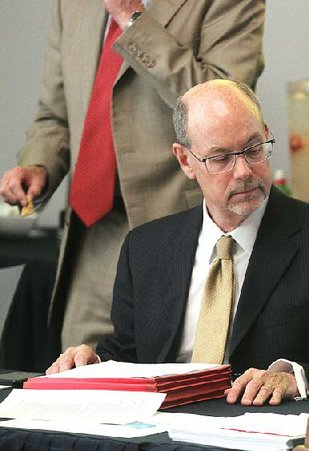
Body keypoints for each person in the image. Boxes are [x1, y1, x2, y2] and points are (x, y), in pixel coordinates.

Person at [45, 79, 309, 406]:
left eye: (254, 149)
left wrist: (295, 380)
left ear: (268, 136)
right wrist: (96, 362)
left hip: (258, 438)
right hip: (160, 434)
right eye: (221, 158)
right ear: (185, 161)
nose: (243, 171)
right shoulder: (146, 248)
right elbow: (130, 354)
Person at [0, 0, 265, 352]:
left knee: (179, 389)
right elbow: (55, 114)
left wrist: (132, 19)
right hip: (94, 235)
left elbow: (224, 106)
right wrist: (39, 165)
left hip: (181, 233)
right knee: (77, 384)